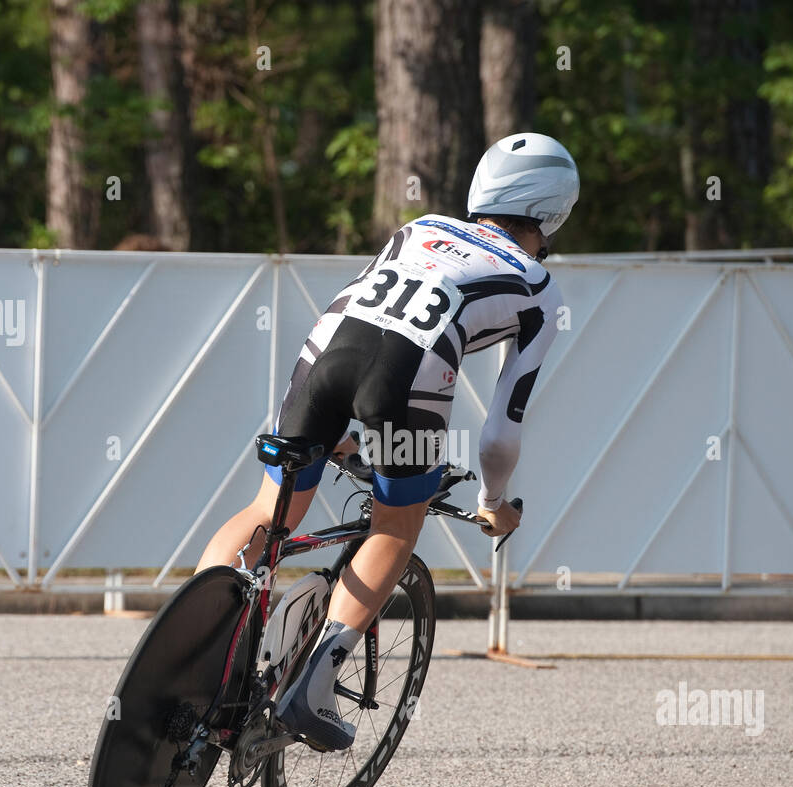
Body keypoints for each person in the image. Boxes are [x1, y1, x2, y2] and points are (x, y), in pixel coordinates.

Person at [196, 132, 579, 751]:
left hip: (324, 353)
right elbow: (502, 428)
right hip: (407, 381)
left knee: (269, 512)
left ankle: (194, 643)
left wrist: (342, 434)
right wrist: (492, 500)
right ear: (551, 213)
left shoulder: (420, 226)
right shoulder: (538, 286)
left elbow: (370, 318)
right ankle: (311, 688)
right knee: (394, 527)